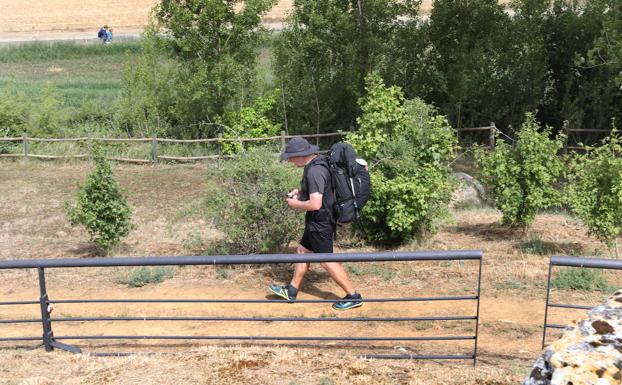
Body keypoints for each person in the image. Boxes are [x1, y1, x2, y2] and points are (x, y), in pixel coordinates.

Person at [268, 136, 363, 311]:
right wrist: (301, 192)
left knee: (326, 260)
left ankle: (353, 295)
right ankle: (292, 290)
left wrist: (295, 203)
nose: (289, 160)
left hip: (321, 222)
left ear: (300, 155)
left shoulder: (314, 171)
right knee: (303, 251)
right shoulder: (318, 163)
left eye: (290, 157)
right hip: (318, 220)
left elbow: (315, 204)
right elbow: (321, 191)